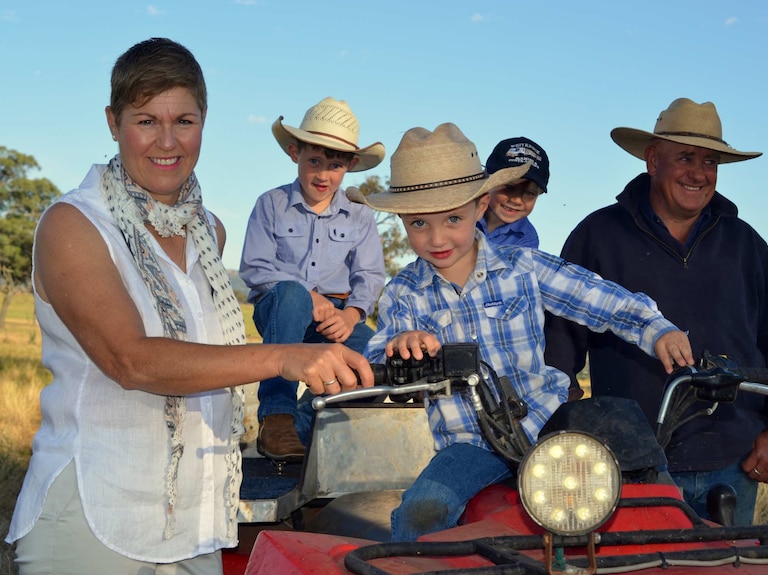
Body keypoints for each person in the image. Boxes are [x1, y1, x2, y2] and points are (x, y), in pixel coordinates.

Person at [5, 38, 373, 575]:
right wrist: (282, 357)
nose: (167, 140)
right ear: (113, 122)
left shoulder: (208, 232)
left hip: (196, 520)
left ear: (204, 123)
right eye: (146, 120)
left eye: (185, 120)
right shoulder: (74, 224)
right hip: (97, 517)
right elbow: (131, 361)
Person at [348, 122, 694, 542]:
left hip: (551, 426)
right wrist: (400, 351)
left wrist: (654, 328)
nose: (437, 238)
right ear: (402, 220)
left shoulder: (523, 266)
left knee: (648, 493)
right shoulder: (404, 293)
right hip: (470, 443)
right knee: (421, 511)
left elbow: (593, 295)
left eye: (452, 218)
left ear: (481, 205)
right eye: (419, 224)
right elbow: (380, 355)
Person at [544, 97, 768, 526]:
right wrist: (575, 426)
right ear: (653, 159)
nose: (699, 173)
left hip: (734, 462)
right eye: (685, 157)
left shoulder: (746, 246)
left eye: (710, 161)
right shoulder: (598, 235)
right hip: (628, 464)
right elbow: (557, 346)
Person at [239, 97, 386, 461]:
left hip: (337, 316)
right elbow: (255, 267)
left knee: (377, 359)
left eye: (334, 165)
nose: (323, 175)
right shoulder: (270, 204)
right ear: (295, 154)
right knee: (291, 296)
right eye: (314, 162)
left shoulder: (359, 216)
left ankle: (304, 427)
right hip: (280, 309)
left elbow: (369, 275)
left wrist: (351, 316)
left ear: (350, 166)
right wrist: (309, 296)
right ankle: (276, 418)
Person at [477, 136, 549, 248]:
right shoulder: (462, 209)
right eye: (509, 187)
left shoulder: (527, 239)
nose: (517, 200)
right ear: (487, 179)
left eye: (530, 193)